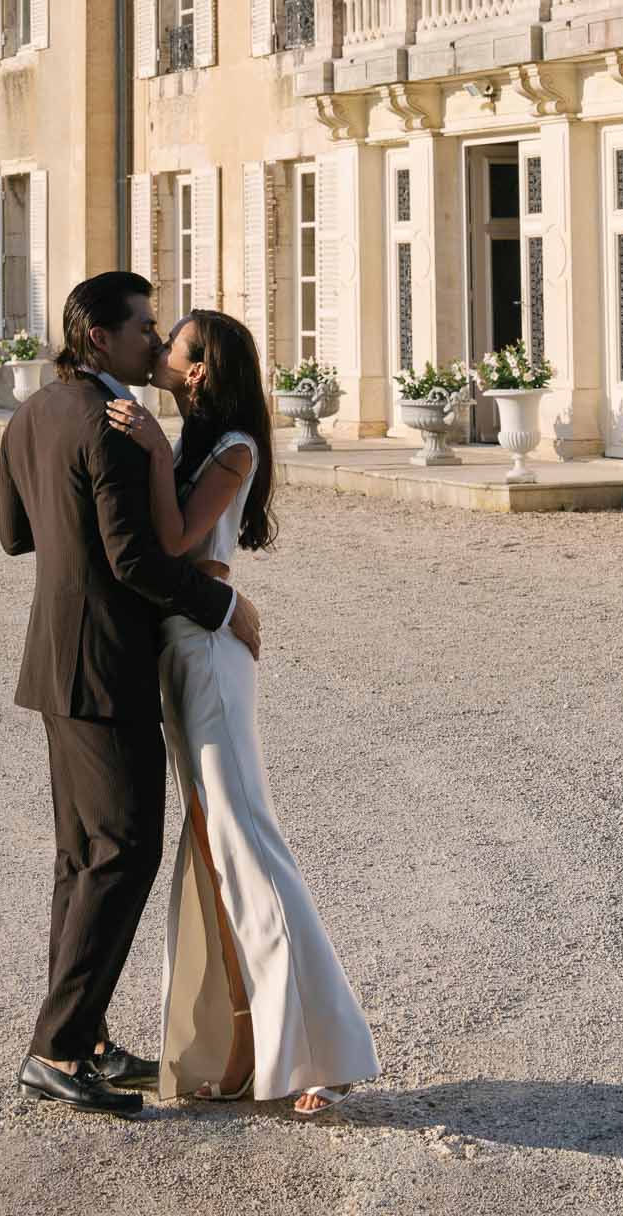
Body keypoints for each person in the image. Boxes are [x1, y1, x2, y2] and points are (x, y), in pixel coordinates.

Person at [0, 272, 262, 1119]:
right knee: (123, 854)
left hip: (54, 661)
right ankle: (58, 1049)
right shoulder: (109, 424)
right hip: (105, 667)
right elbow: (137, 562)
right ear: (100, 338)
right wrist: (225, 605)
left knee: (85, 857)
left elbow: (14, 533)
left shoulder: (35, 410)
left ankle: (88, 1039)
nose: (155, 341)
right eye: (145, 326)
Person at [106, 309, 380, 1118]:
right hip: (180, 647)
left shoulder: (232, 447)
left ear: (199, 370)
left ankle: (320, 1054)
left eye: (173, 344)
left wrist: (152, 451)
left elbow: (178, 542)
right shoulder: (191, 439)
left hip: (210, 653)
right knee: (213, 845)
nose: (157, 349)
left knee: (246, 839)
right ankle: (240, 1049)